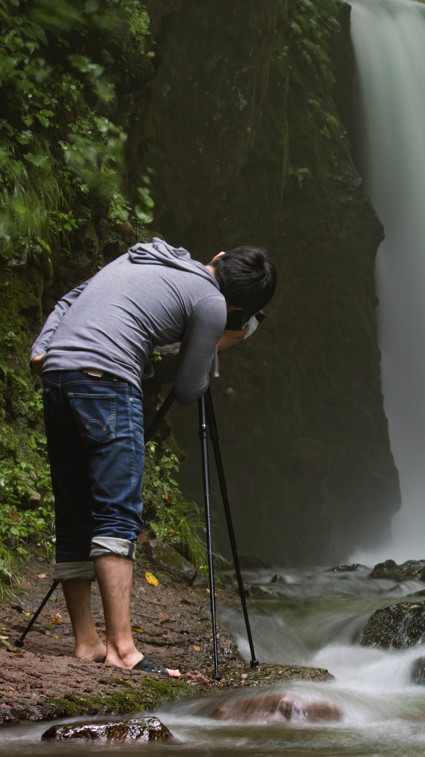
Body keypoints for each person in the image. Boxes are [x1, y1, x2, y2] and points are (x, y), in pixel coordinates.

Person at [30, 237, 277, 676]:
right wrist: (223, 341)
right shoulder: (212, 301)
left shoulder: (142, 255)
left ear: (217, 256)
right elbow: (187, 389)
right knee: (117, 513)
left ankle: (87, 643)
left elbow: (72, 297)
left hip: (58, 371)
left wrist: (41, 349)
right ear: (239, 310)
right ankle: (123, 650)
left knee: (74, 514)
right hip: (107, 379)